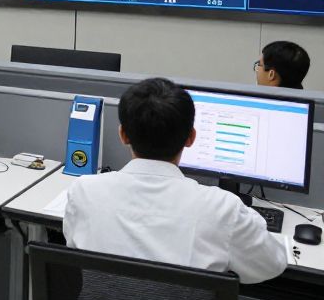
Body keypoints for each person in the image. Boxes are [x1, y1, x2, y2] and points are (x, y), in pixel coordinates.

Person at [65, 77, 287, 283]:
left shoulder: (84, 191)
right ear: (191, 138)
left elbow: (74, 247)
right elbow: (272, 265)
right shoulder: (223, 209)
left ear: (123, 135)